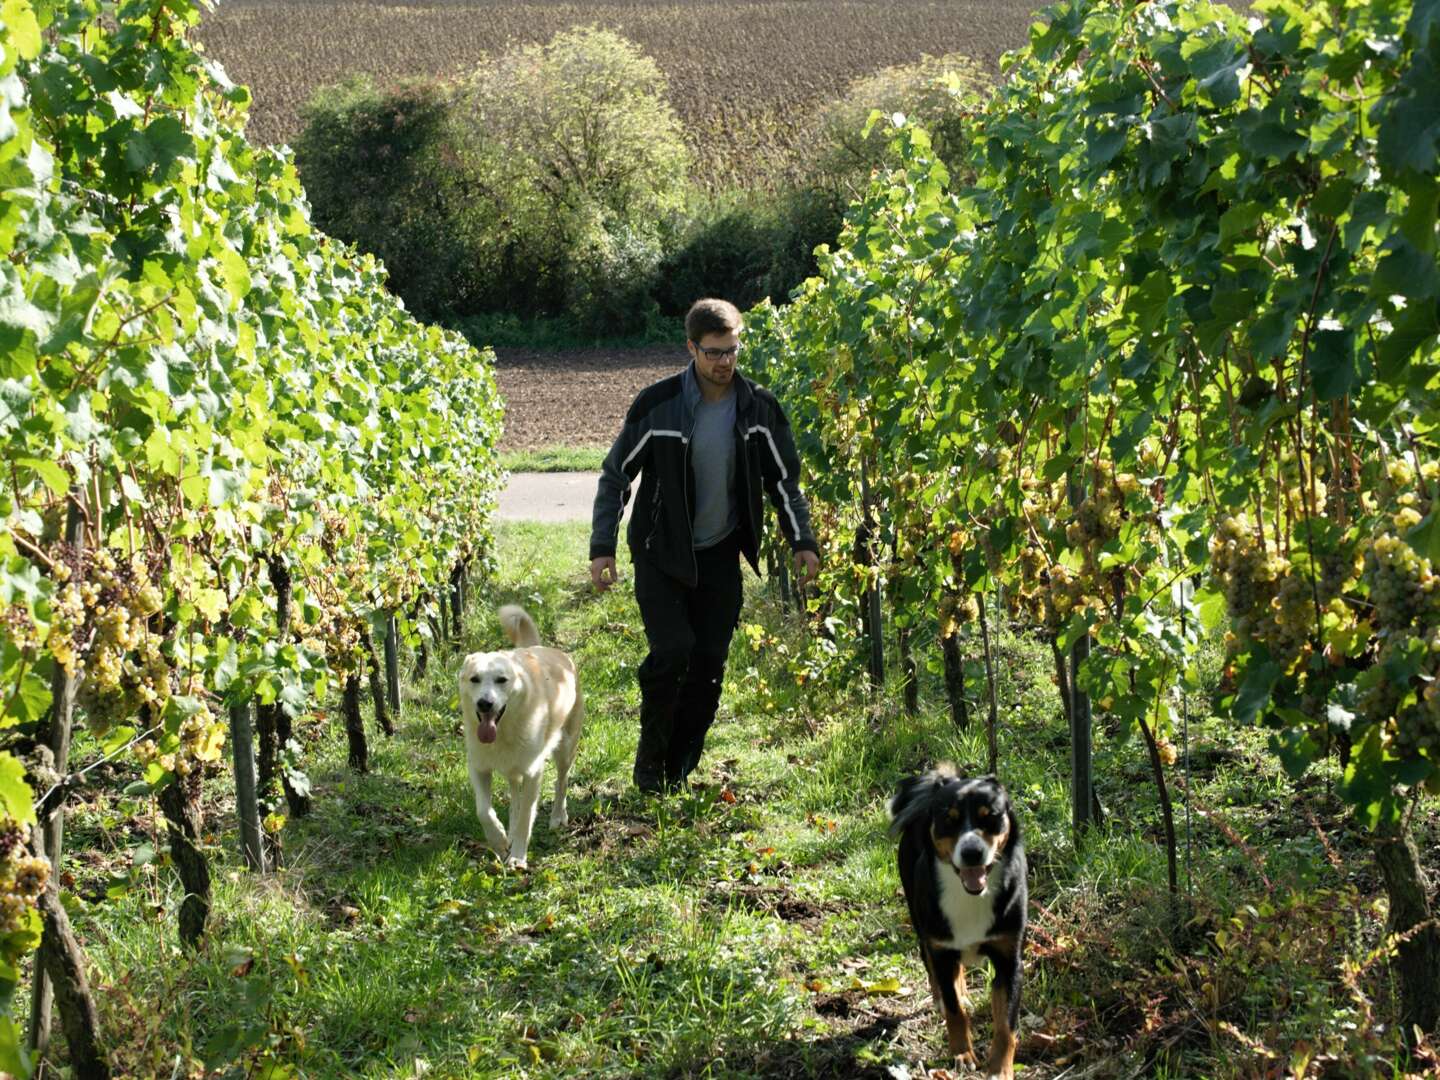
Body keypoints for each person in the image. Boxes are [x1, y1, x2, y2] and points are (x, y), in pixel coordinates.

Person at [589, 298, 820, 793]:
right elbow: (616, 476)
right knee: (672, 651)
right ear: (692, 348)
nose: (725, 362)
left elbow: (785, 482)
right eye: (714, 352)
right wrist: (602, 545)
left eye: (732, 351)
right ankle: (649, 766)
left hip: (718, 554)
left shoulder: (759, 408)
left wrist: (802, 539)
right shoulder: (658, 404)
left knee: (709, 666)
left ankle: (678, 767)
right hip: (661, 552)